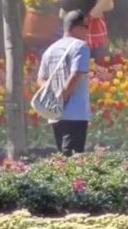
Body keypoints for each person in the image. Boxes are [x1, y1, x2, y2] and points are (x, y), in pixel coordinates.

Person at [37, 10, 93, 155]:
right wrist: (63, 96)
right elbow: (75, 74)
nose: (88, 31)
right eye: (86, 27)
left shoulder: (50, 50)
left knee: (62, 155)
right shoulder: (80, 46)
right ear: (77, 27)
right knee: (73, 157)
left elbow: (40, 79)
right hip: (75, 113)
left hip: (55, 114)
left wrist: (54, 96)